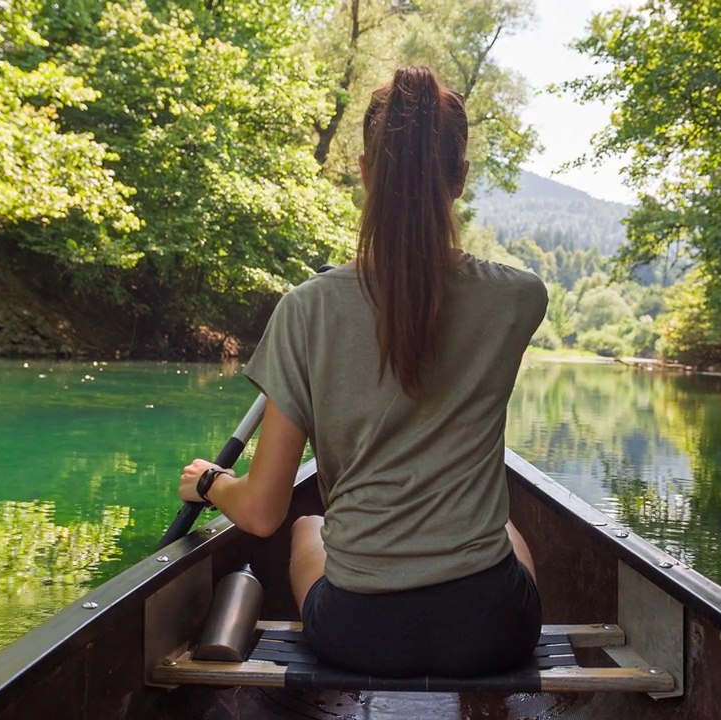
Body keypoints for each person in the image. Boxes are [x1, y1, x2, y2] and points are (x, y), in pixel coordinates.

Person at [179, 66, 548, 678]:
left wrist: (212, 482)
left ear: (365, 173)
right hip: (492, 628)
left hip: (359, 631)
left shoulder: (307, 308)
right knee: (508, 532)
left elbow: (264, 512)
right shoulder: (518, 299)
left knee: (307, 529)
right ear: (459, 180)